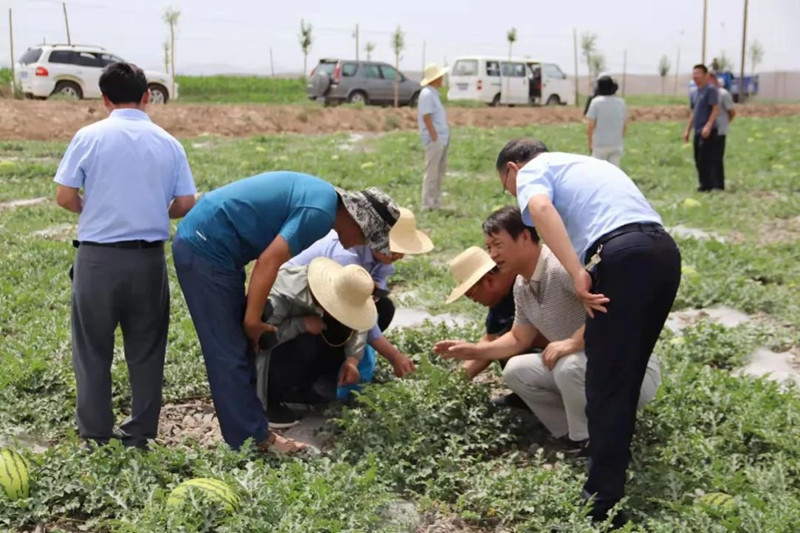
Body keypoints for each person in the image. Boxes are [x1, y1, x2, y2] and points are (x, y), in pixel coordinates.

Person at [495, 139, 681, 527]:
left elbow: (542, 208)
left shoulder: (532, 171)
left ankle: (601, 505)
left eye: (508, 188)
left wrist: (578, 271)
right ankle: (614, 465)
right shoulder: (584, 165)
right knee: (624, 370)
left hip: (620, 255)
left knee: (606, 381)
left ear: (513, 168)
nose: (518, 201)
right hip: (663, 252)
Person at [172, 178, 398, 453]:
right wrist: (253, 320)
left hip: (217, 245)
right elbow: (269, 261)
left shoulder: (324, 201)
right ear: (359, 221)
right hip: (206, 246)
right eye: (367, 237)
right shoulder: (320, 213)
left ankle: (252, 431)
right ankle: (252, 441)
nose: (360, 245)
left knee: (235, 347)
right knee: (228, 349)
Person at [435, 206, 660, 454]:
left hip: (631, 372)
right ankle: (571, 434)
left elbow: (617, 311)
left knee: (568, 363)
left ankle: (588, 440)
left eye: (498, 244)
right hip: (587, 369)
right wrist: (475, 350)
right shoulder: (522, 284)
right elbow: (519, 339)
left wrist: (573, 342)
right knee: (516, 370)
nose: (493, 254)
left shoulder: (562, 266)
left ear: (524, 236)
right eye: (488, 247)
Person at [53, 62, 196, 448]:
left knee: (92, 348)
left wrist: (98, 209)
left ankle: (96, 433)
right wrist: (150, 210)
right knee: (147, 350)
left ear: (104, 99)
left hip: (97, 260)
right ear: (147, 96)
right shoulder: (168, 143)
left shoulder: (89, 137)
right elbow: (185, 201)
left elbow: (65, 195)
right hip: (147, 261)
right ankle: (139, 434)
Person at [281, 207, 434, 380]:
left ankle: (337, 370)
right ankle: (307, 380)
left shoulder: (382, 260)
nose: (401, 255)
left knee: (383, 307)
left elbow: (370, 300)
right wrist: (394, 356)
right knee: (313, 339)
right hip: (297, 305)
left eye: (404, 248)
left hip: (328, 304)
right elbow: (358, 309)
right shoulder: (345, 254)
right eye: (395, 248)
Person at [258, 258, 377, 426]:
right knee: (306, 343)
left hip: (303, 336)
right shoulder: (283, 296)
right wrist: (301, 325)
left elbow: (358, 323)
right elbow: (259, 340)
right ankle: (274, 398)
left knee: (328, 333)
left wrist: (352, 359)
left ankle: (307, 389)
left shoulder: (344, 288)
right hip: (270, 353)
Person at [684, 64, 721, 192]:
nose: (695, 76)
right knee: (698, 158)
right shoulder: (694, 93)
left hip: (708, 131)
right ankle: (703, 184)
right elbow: (693, 112)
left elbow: (715, 109)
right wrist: (688, 130)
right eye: (694, 73)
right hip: (698, 130)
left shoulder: (711, 90)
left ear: (706, 75)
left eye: (698, 73)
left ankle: (709, 185)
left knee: (706, 158)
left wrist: (708, 125)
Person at [418, 63, 450, 210]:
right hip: (435, 139)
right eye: (440, 76)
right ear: (435, 79)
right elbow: (426, 117)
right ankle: (427, 203)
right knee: (432, 172)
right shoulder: (427, 94)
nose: (442, 79)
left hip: (441, 138)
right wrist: (434, 136)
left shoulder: (433, 94)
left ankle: (435, 202)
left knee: (438, 172)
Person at [585, 75, 627, 167]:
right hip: (616, 144)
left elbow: (590, 126)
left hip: (600, 144)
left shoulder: (596, 102)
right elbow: (624, 125)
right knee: (614, 172)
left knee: (599, 172)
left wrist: (590, 145)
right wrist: (619, 139)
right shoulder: (621, 102)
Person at [708, 71, 736, 190]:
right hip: (709, 130)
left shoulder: (723, 94)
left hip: (720, 130)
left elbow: (732, 112)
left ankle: (719, 184)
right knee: (709, 157)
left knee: (717, 157)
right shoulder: (707, 93)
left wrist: (725, 123)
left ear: (714, 80)